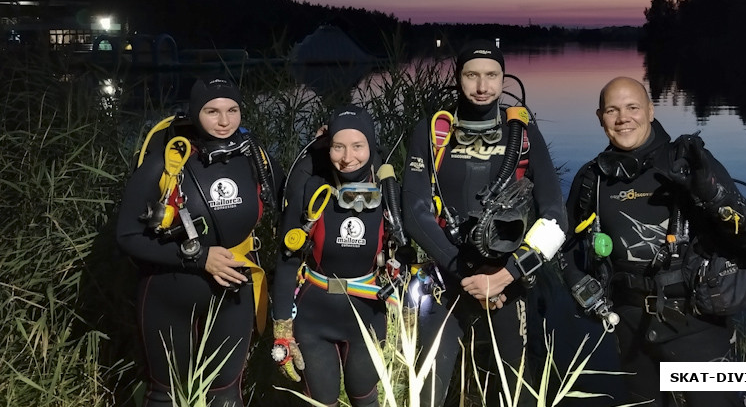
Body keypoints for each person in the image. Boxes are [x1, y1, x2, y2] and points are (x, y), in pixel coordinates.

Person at [561, 76, 746, 407]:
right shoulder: (593, 179)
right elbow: (566, 245)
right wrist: (581, 288)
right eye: (612, 110)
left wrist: (714, 196)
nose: (622, 118)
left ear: (651, 110)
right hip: (628, 327)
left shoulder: (688, 163)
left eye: (632, 107)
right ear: (600, 117)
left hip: (697, 324)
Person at [402, 40, 566, 407]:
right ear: (458, 78)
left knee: (513, 394)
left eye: (492, 76)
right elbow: (414, 212)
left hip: (507, 283)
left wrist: (507, 273)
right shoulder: (432, 131)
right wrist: (461, 272)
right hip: (446, 280)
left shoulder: (522, 132)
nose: (482, 86)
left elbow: (555, 217)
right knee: (430, 392)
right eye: (471, 75)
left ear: (503, 79)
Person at [116, 75, 283, 407]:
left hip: (234, 292)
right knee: (165, 395)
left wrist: (331, 144)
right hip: (169, 292)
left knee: (226, 396)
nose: (224, 121)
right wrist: (198, 257)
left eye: (232, 110)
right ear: (194, 113)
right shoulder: (167, 160)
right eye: (212, 111)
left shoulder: (255, 158)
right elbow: (127, 235)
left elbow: (297, 195)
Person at [272, 104, 406, 407]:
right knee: (321, 401)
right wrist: (281, 327)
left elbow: (408, 248)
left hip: (368, 316)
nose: (348, 158)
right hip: (313, 318)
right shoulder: (311, 191)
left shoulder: (389, 194)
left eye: (358, 146)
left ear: (371, 146)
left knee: (365, 397)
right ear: (327, 148)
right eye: (338, 147)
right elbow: (286, 260)